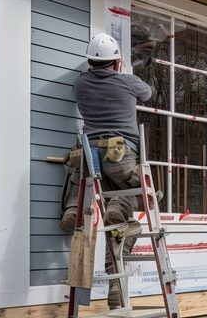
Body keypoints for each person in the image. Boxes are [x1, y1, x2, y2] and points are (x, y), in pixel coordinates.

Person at [60, 33, 153, 309]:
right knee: (132, 195)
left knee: (84, 182)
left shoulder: (81, 84)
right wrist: (124, 73)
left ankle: (71, 210)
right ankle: (118, 207)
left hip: (91, 156)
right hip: (120, 153)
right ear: (116, 62)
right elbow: (148, 94)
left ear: (91, 62)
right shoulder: (126, 80)